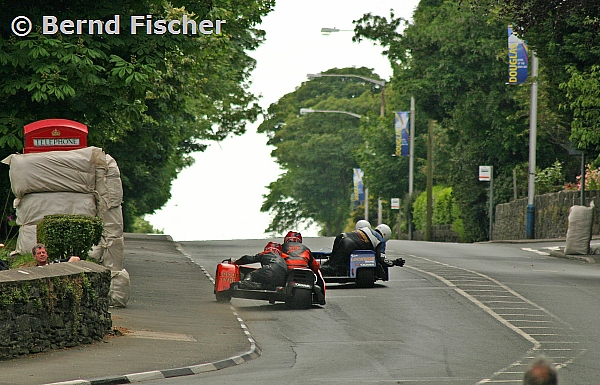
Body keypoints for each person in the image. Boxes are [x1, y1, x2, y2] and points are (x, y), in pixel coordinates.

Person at [320, 223, 405, 277]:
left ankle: (317, 267)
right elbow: (382, 259)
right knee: (334, 268)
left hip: (341, 237)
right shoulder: (380, 241)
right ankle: (315, 271)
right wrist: (395, 262)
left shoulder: (367, 229)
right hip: (348, 244)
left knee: (332, 261)